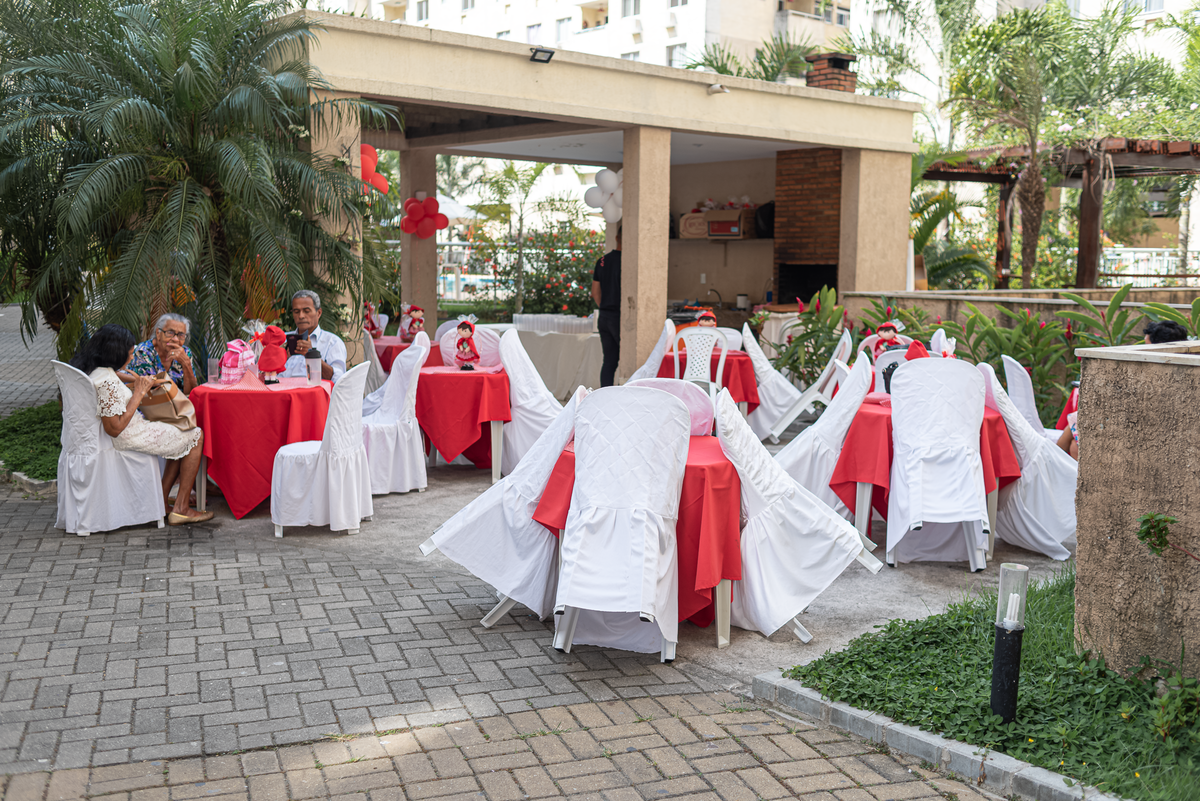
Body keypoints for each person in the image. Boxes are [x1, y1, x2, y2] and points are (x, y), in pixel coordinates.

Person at [70, 324, 212, 525]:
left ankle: (161, 502)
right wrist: (139, 393)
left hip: (122, 431)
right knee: (195, 435)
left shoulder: (95, 369)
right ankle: (181, 508)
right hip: (128, 434)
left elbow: (115, 376)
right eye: (129, 354)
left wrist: (140, 381)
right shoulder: (107, 383)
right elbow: (115, 428)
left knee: (181, 436)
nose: (131, 358)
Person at [283, 290, 347, 383]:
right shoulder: (282, 339)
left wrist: (312, 355)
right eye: (296, 311)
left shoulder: (332, 342)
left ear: (319, 313)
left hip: (313, 392)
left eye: (306, 311)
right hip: (280, 391)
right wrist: (279, 356)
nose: (301, 316)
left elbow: (338, 380)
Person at [127, 313, 198, 394]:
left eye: (181, 335)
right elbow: (149, 392)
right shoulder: (144, 352)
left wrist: (186, 364)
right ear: (158, 333)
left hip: (179, 401)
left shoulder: (185, 352)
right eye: (170, 332)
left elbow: (191, 393)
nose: (175, 339)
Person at [591, 226, 621, 387]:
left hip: (604, 316)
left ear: (617, 238)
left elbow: (595, 292)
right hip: (620, 317)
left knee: (609, 361)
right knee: (629, 359)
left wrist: (604, 306)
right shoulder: (629, 261)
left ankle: (605, 395)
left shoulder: (602, 261)